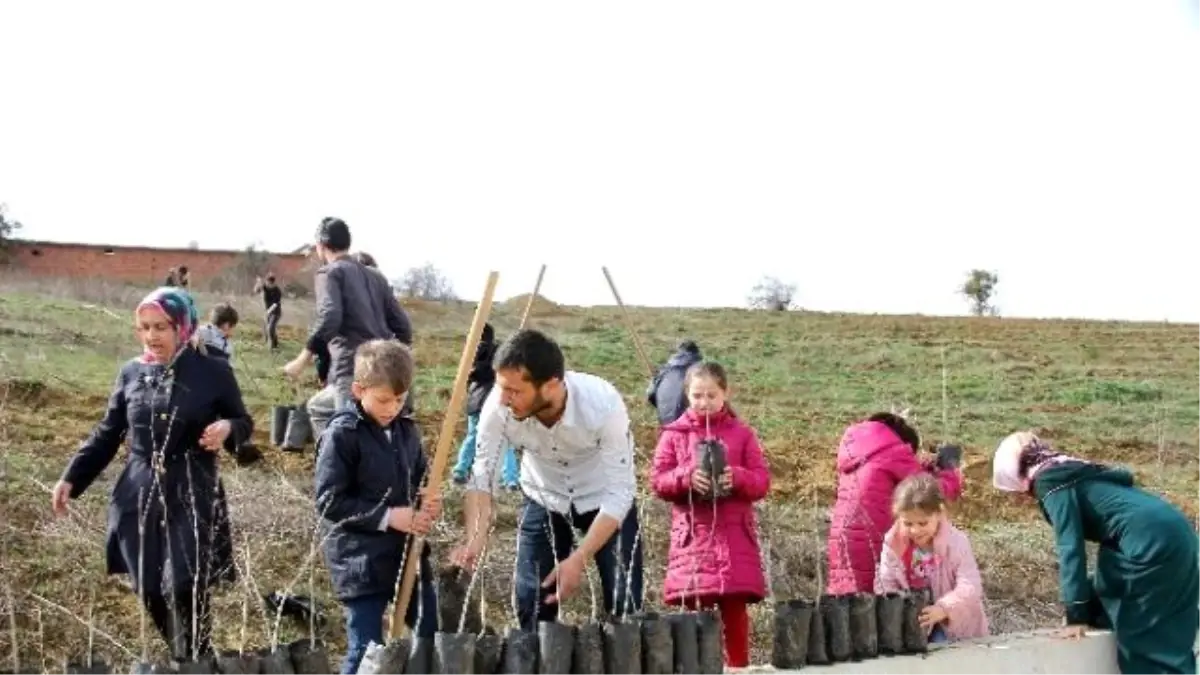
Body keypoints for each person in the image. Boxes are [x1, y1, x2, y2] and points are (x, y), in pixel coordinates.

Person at [49, 287, 253, 662]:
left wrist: (227, 428)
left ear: (182, 326)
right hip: (139, 491)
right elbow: (108, 433)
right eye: (144, 327)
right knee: (148, 586)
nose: (152, 336)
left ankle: (197, 658)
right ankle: (188, 657)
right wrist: (71, 478)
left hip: (191, 486)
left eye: (161, 326)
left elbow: (244, 422)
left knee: (183, 583)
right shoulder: (131, 372)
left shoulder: (213, 371)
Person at [449, 329, 644, 631]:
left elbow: (621, 492)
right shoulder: (498, 407)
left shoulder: (602, 404)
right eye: (502, 387)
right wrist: (475, 538)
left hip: (603, 499)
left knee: (625, 602)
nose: (503, 398)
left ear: (551, 385)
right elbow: (483, 477)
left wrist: (579, 558)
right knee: (531, 602)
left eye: (515, 390)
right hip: (543, 495)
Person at [992, 431, 1199, 674]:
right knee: (1167, 626)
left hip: (1148, 544)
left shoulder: (1049, 483)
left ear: (1017, 477)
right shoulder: (1075, 470)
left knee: (1143, 644)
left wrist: (1076, 614)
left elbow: (1070, 547)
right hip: (1179, 533)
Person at [314, 340, 441, 675]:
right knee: (367, 648)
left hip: (407, 555)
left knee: (431, 633)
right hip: (361, 561)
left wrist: (425, 499)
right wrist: (388, 517)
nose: (392, 408)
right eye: (384, 399)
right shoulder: (342, 435)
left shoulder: (406, 430)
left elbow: (419, 476)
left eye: (400, 400)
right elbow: (329, 500)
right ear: (359, 390)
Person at [650, 361, 770, 668]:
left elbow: (761, 481)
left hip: (734, 540)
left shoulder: (743, 434)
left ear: (726, 393)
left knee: (735, 616)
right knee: (695, 621)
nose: (704, 403)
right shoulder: (673, 434)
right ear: (687, 395)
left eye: (711, 395)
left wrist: (738, 478)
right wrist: (686, 478)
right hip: (693, 540)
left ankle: (739, 669)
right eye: (697, 395)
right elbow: (658, 481)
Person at [283, 217, 414, 439]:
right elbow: (404, 328)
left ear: (321, 246)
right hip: (383, 369)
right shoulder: (376, 276)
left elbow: (330, 316)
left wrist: (302, 359)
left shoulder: (330, 273)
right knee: (318, 407)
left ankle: (335, 465)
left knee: (349, 437)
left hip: (352, 371)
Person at [826, 412, 964, 595]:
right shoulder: (894, 452)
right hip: (872, 543)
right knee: (882, 608)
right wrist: (950, 472)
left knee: (846, 607)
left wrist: (927, 468)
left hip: (841, 542)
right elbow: (932, 491)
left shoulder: (861, 450)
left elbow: (901, 476)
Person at [875, 474, 988, 643]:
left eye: (923, 523)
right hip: (914, 624)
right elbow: (886, 583)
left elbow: (970, 585)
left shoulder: (956, 543)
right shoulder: (893, 545)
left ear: (939, 514)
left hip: (954, 626)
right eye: (908, 524)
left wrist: (944, 609)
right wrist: (897, 611)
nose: (915, 530)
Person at [452, 323, 520, 489]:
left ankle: (460, 471)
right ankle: (510, 479)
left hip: (477, 402)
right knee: (504, 439)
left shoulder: (472, 353)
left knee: (473, 437)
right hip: (497, 401)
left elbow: (470, 378)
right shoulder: (501, 353)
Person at [646, 340, 702, 426]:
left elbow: (650, 394)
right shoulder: (700, 372)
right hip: (690, 424)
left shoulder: (664, 370)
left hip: (666, 421)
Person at [253, 274, 283, 351]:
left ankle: (273, 347)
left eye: (270, 284)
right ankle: (274, 343)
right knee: (267, 328)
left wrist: (268, 312)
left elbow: (276, 304)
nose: (268, 285)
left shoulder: (277, 291)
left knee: (271, 328)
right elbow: (256, 291)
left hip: (276, 312)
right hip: (267, 311)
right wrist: (258, 283)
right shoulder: (265, 287)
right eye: (267, 283)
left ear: (273, 283)